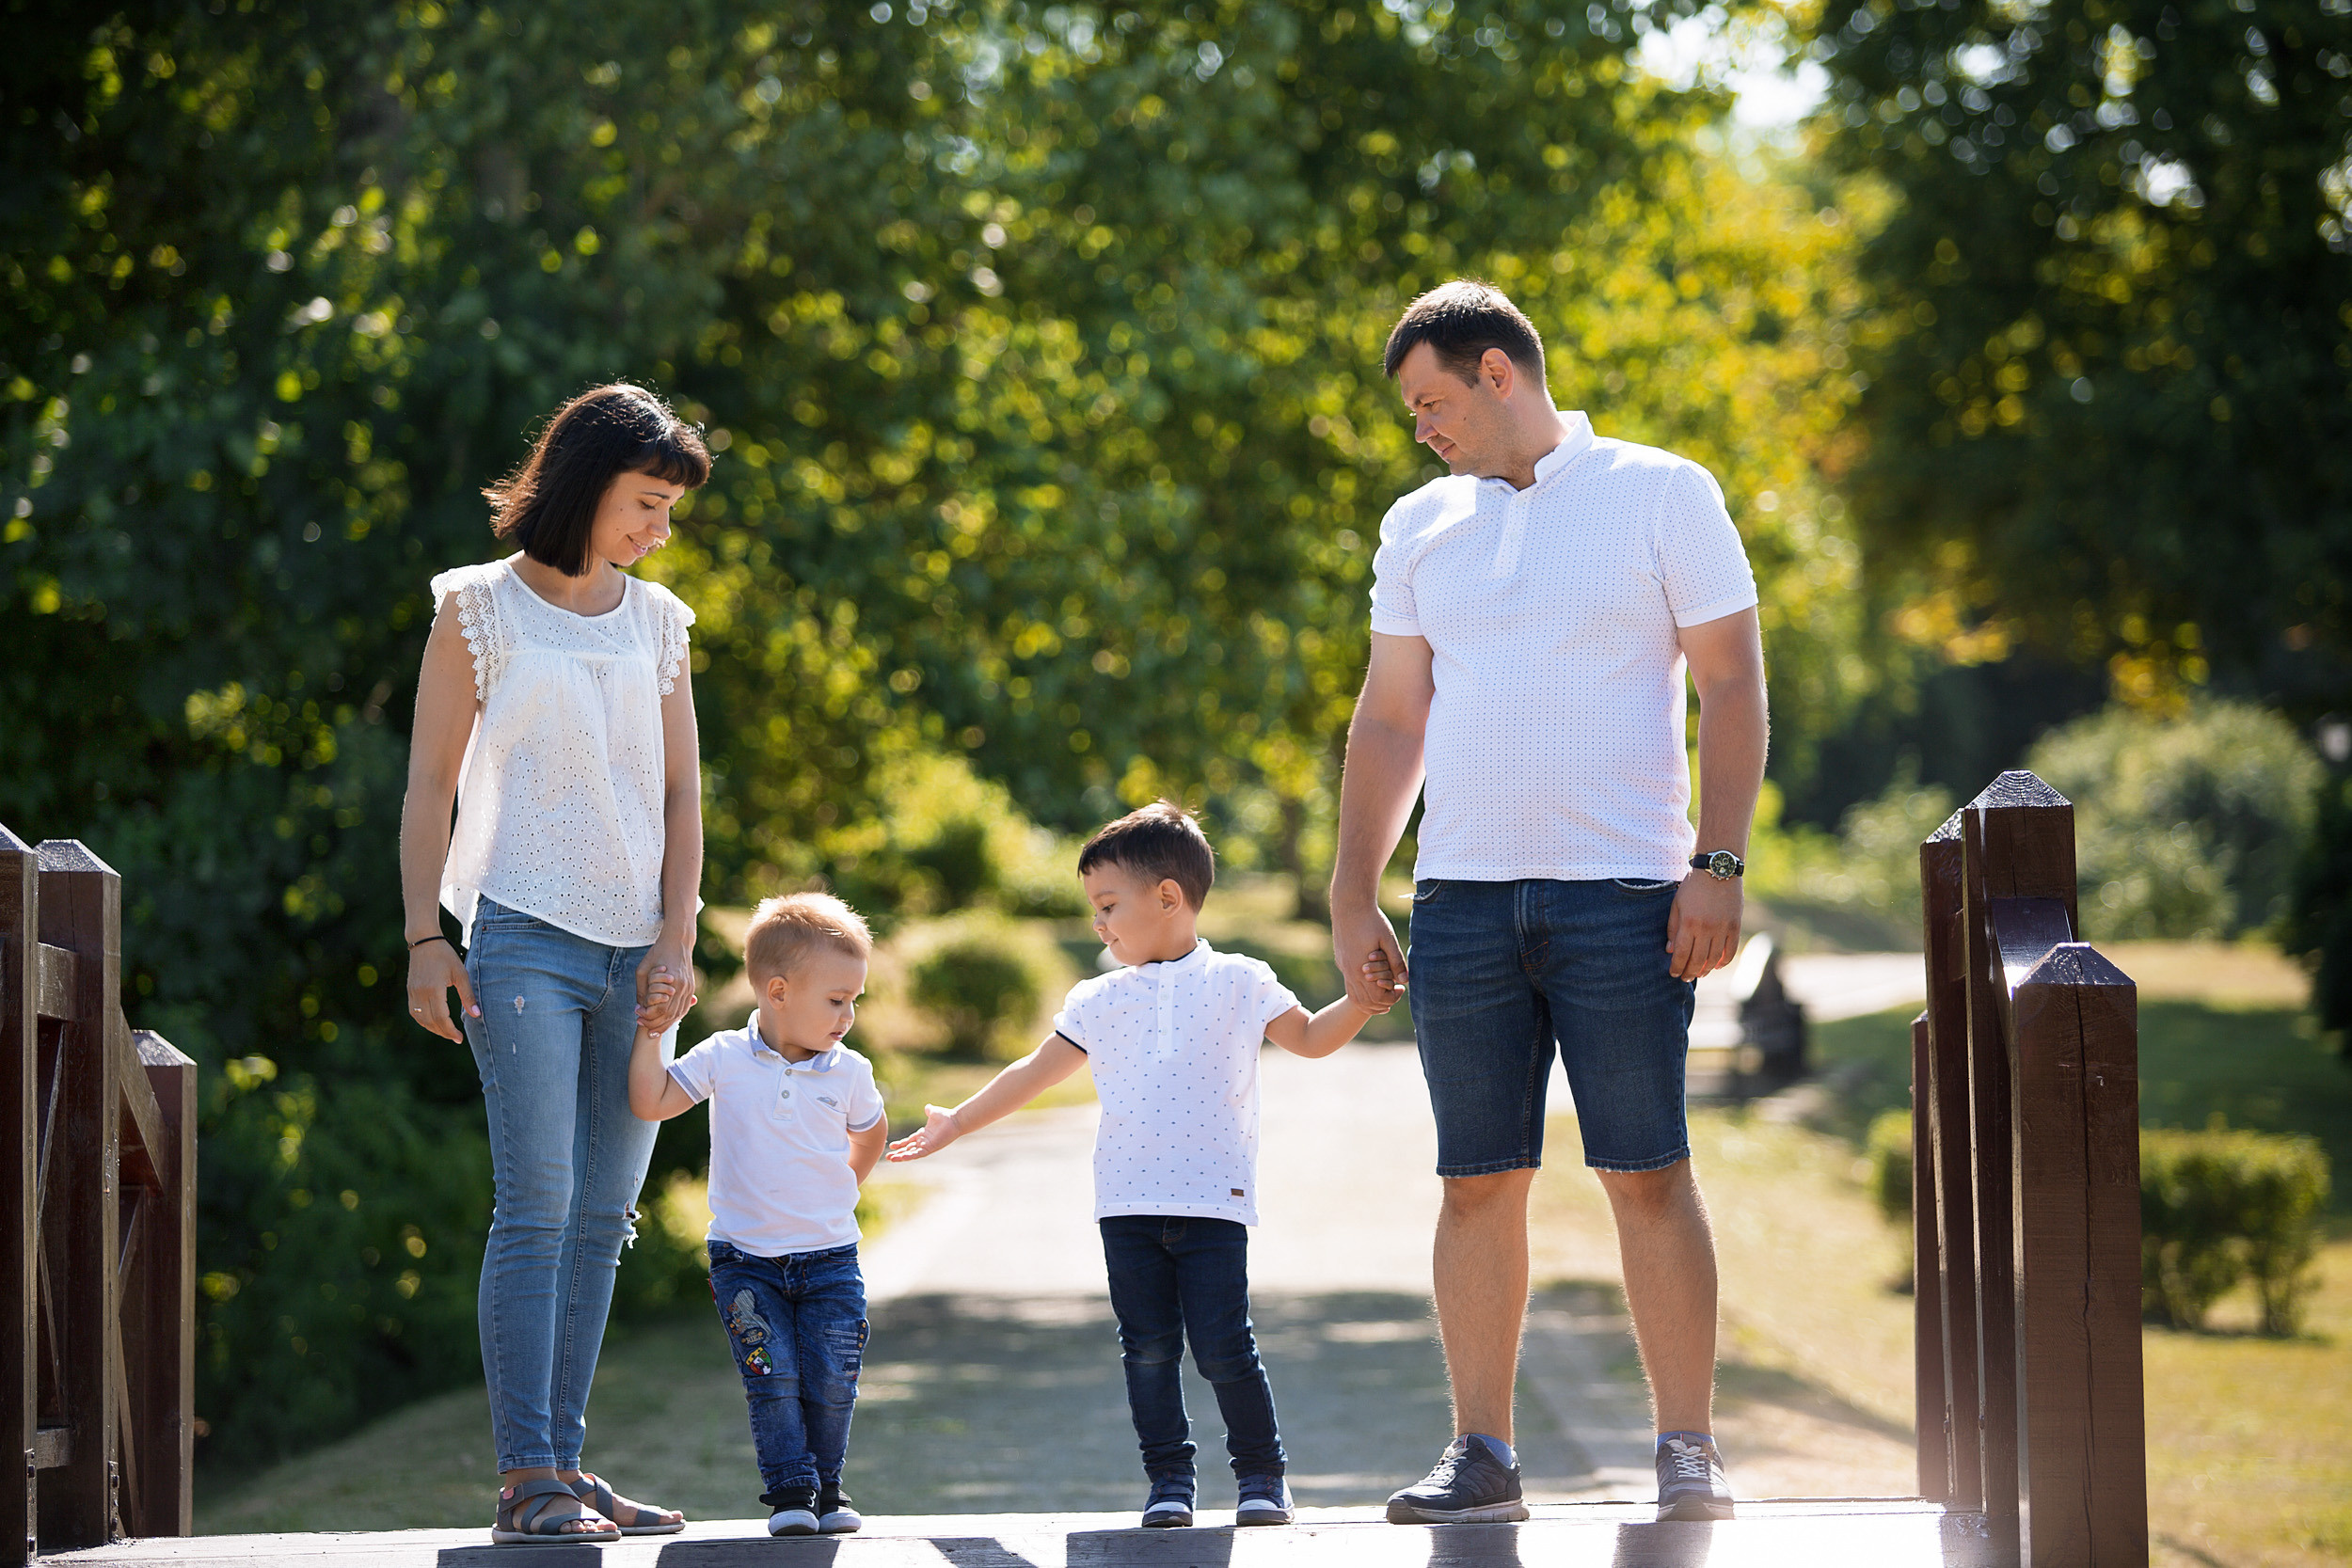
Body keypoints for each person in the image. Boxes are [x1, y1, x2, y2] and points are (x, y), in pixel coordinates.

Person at [1328, 281, 1769, 1526]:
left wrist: (1717, 863)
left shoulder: (1662, 490)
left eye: (1432, 400)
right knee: (1477, 1178)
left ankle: (1688, 1448)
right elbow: (1392, 716)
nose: (1422, 427)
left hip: (1630, 895)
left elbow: (1731, 686)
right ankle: (1483, 1452)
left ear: (1498, 372)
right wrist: (1353, 885)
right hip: (1463, 900)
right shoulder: (1419, 526)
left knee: (1645, 1167)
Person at [886, 802, 1388, 1530]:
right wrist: (958, 1120)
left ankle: (1261, 1475)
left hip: (1214, 1202)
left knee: (1223, 1345)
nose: (1100, 924)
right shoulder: (1099, 998)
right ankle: (1169, 1481)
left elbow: (1309, 1037)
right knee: (1148, 1351)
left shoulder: (1241, 980)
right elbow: (1034, 1071)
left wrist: (1362, 1003)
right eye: (1094, 909)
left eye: (1108, 905)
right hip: (1126, 1207)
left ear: (1168, 897)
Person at [399, 383, 709, 1544]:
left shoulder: (658, 621)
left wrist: (679, 938)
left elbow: (682, 793)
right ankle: (526, 1473)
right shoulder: (478, 610)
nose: (657, 531)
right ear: (585, 484)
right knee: (536, 1203)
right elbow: (430, 784)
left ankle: (566, 1471)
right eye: (646, 502)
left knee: (605, 1214)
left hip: (643, 952)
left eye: (670, 509)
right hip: (521, 932)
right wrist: (427, 937)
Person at [628, 894, 888, 1537]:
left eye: (854, 999)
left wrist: (842, 1184)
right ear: (778, 990)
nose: (848, 1015)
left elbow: (873, 1130)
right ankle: (791, 1491)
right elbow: (651, 1100)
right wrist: (653, 1032)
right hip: (746, 1263)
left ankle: (828, 1487)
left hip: (830, 1259)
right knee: (772, 1379)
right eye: (836, 999)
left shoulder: (849, 1071)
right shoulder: (724, 1056)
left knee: (831, 1381)